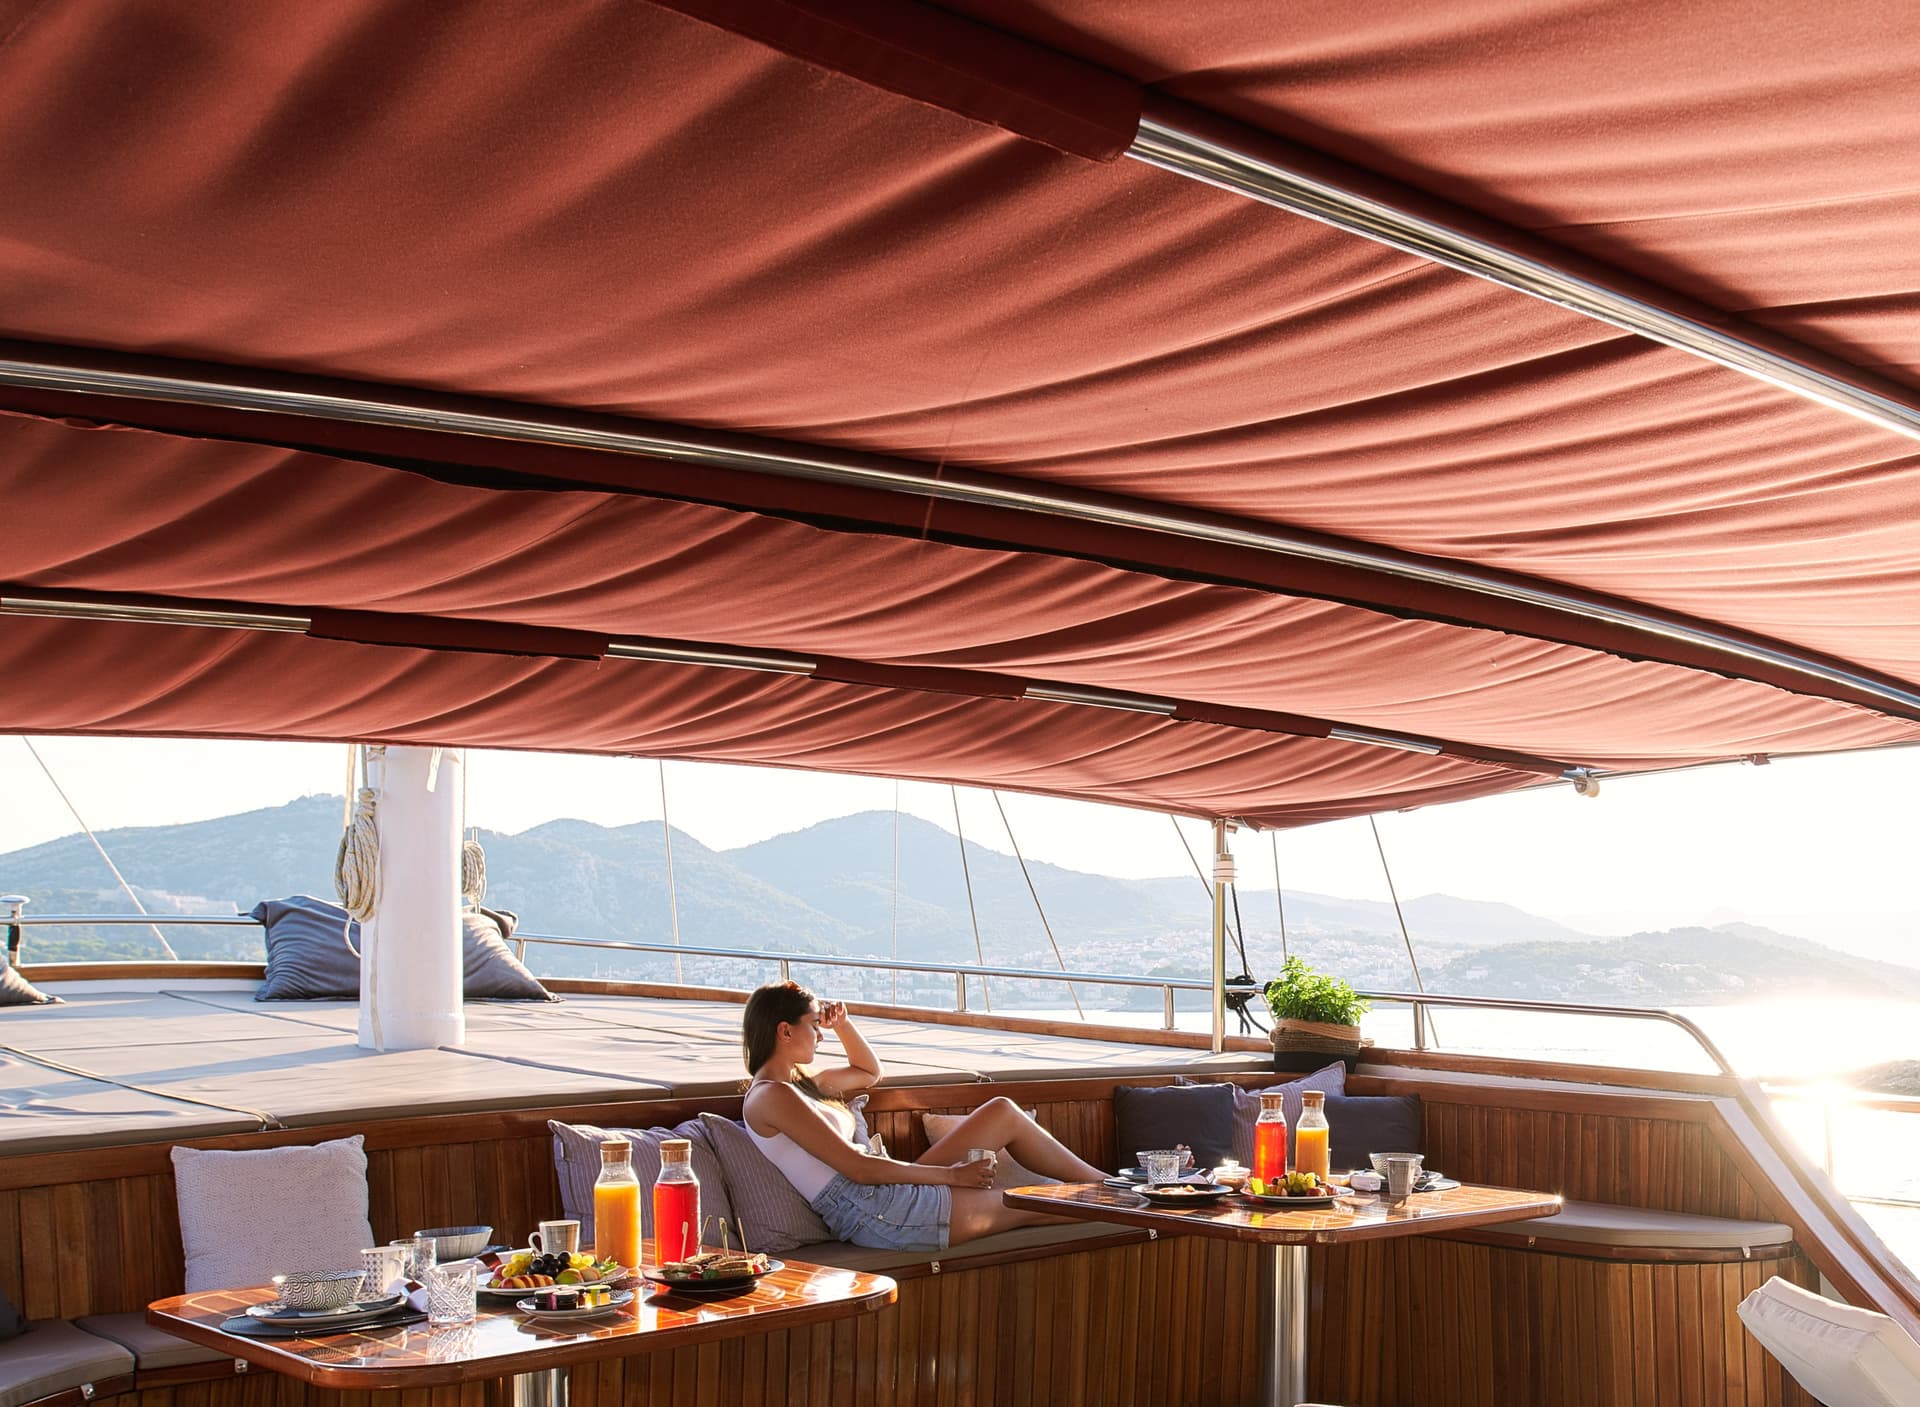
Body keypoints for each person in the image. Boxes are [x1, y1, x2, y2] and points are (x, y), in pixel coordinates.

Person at [741, 981, 1109, 1250]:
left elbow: (869, 1072)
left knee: (1001, 1112)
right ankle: (1140, 1202)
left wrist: (844, 1026)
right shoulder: (772, 1097)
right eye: (815, 1025)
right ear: (785, 1030)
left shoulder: (803, 1086)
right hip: (874, 1210)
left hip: (884, 1190)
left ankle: (1112, 1184)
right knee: (1031, 1200)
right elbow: (859, 1169)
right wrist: (951, 1176)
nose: (821, 1036)